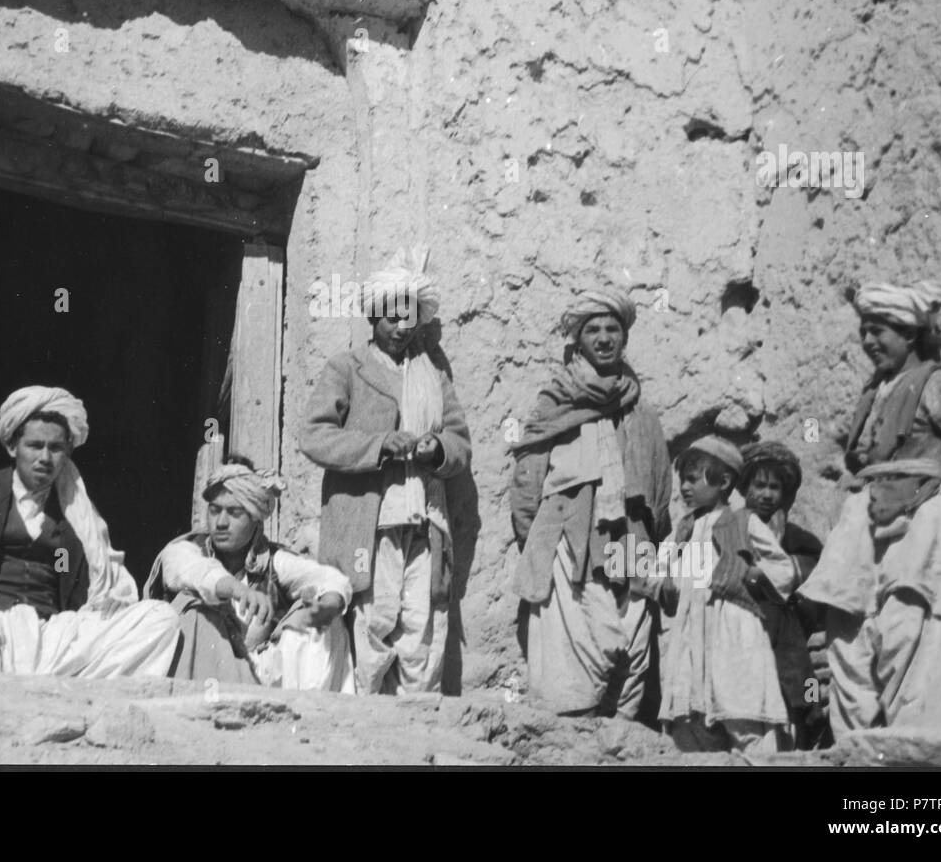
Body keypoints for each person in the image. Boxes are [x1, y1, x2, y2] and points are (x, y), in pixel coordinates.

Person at [799, 280, 941, 734]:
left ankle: (913, 757)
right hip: (863, 527)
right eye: (864, 331)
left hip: (923, 524)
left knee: (910, 634)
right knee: (849, 637)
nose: (869, 342)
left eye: (880, 331)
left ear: (909, 333)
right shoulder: (874, 392)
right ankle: (856, 750)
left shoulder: (940, 383)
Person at [0, 386, 181, 677]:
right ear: (13, 447)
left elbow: (107, 589)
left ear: (68, 452)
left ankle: (69, 695)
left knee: (161, 618)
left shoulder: (79, 513)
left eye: (56, 448)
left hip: (51, 637)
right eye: (35, 446)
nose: (45, 458)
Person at [299, 245, 472, 694]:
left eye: (408, 317)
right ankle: (367, 723)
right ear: (373, 316)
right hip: (369, 523)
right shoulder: (348, 369)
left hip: (424, 520)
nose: (400, 327)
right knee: (373, 619)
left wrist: (437, 450)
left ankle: (417, 727)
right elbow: (315, 435)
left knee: (421, 624)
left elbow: (460, 443)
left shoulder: (433, 374)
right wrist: (379, 445)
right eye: (390, 317)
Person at [509, 288, 673, 718]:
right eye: (593, 330)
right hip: (568, 539)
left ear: (624, 337)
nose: (603, 338)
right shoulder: (556, 401)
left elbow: (658, 489)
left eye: (612, 329)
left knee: (632, 639)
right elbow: (528, 478)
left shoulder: (640, 411)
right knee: (575, 640)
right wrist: (546, 536)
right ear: (578, 340)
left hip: (629, 541)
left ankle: (619, 739)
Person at [147, 458, 355, 691]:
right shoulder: (187, 550)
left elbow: (331, 580)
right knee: (196, 611)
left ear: (255, 517)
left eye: (234, 512)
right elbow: (196, 570)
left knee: (320, 617)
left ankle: (307, 714)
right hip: (200, 674)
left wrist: (326, 608)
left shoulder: (272, 561)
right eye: (215, 511)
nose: (221, 523)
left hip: (253, 675)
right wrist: (237, 589)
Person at [659, 436, 793, 754]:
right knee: (692, 716)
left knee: (740, 709)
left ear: (724, 481)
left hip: (732, 625)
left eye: (692, 479)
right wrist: (664, 581)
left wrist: (753, 573)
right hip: (692, 628)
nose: (685, 488)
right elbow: (658, 568)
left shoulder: (743, 521)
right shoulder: (683, 529)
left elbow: (782, 568)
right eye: (682, 481)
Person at [739, 440, 824, 748]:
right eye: (759, 485)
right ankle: (809, 712)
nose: (766, 494)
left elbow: (813, 576)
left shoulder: (798, 539)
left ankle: (811, 710)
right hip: (741, 626)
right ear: (743, 487)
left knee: (801, 667)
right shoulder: (730, 530)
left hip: (788, 626)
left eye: (775, 488)